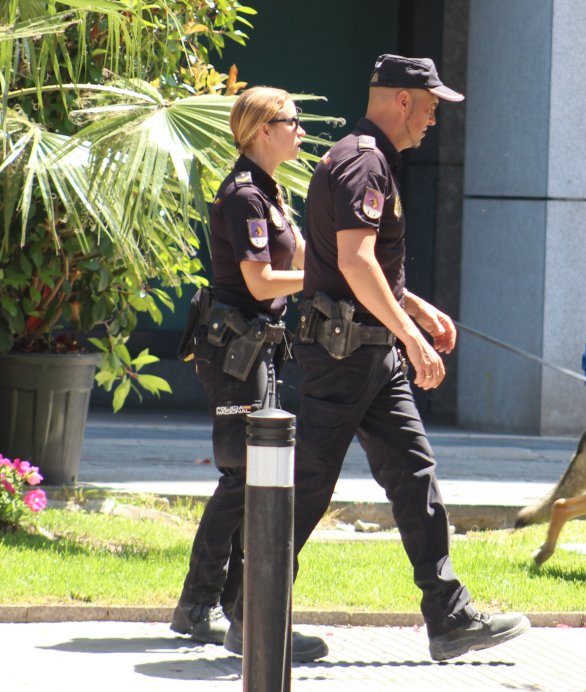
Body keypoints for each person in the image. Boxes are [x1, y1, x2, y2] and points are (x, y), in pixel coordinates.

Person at [293, 54, 530, 661]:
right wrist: (412, 335)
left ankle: (449, 618)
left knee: (414, 475)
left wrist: (416, 310)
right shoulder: (365, 161)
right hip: (346, 356)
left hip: (369, 354)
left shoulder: (365, 157)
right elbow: (353, 262)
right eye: (430, 107)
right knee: (307, 485)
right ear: (403, 99)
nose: (433, 120)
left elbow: (363, 267)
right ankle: (249, 611)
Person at [171, 86, 327, 662]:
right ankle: (200, 605)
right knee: (242, 476)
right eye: (293, 122)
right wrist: (323, 284)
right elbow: (261, 284)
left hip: (258, 349)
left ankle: (239, 608)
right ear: (264, 130)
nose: (301, 131)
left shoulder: (270, 190)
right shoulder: (241, 197)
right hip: (234, 353)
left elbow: (306, 257)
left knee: (254, 478)